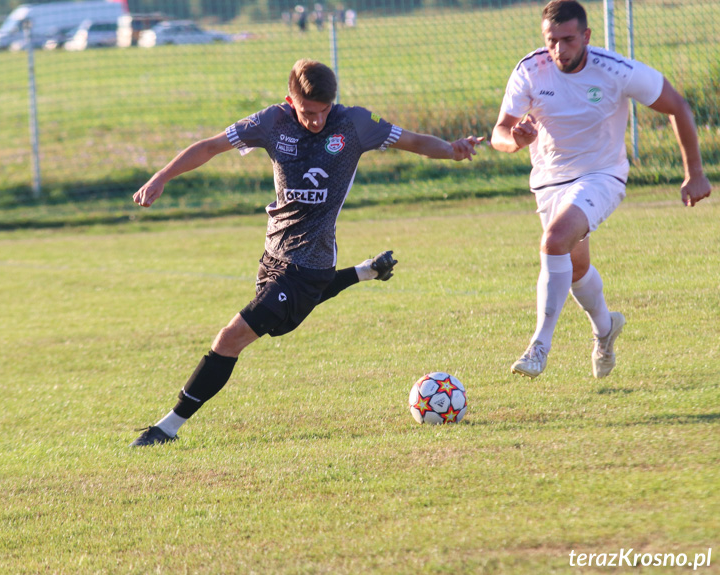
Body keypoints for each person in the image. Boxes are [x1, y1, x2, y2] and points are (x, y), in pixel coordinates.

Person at [129, 59, 483, 446]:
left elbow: (413, 141)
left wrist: (452, 150)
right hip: (273, 255)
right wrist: (161, 176)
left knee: (230, 338)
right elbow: (211, 146)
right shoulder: (272, 122)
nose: (316, 120)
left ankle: (167, 428)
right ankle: (365, 272)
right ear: (289, 101)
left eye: (323, 112)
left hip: (310, 263)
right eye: (308, 112)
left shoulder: (355, 124)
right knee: (282, 322)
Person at [490, 0, 711, 379]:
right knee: (575, 268)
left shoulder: (615, 70)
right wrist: (516, 140)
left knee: (554, 240)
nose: (559, 49)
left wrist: (695, 173)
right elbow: (499, 133)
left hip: (602, 175)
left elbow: (678, 106)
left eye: (568, 39)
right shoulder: (531, 69)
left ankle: (539, 345)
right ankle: (606, 329)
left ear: (586, 36)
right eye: (551, 40)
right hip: (549, 180)